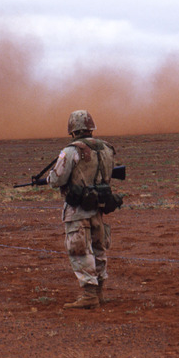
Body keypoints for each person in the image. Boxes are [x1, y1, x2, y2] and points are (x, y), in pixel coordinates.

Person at [47, 110, 117, 309]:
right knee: (99, 249)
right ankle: (100, 292)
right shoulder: (107, 148)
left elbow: (57, 179)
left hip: (78, 209)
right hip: (99, 208)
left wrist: (50, 179)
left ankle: (89, 295)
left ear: (72, 130)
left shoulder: (70, 151)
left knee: (79, 250)